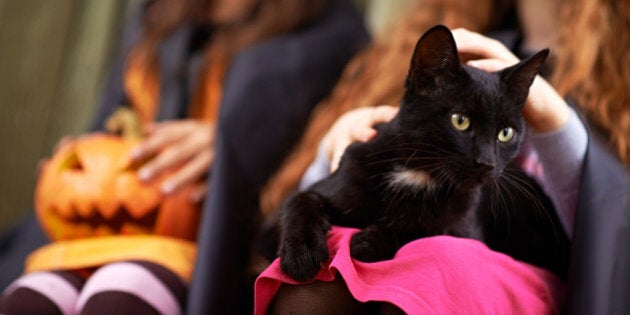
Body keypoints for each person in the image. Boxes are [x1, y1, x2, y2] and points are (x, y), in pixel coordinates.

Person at [255, 0, 630, 313]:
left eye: (503, 134)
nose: (487, 158)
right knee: (313, 286)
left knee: (431, 267)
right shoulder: (426, 42)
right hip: (378, 237)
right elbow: (298, 220)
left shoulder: (612, 78)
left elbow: (607, 240)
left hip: (508, 275)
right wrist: (330, 152)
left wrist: (555, 125)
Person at [0, 0, 368, 313]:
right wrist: (79, 160)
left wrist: (235, 145)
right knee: (33, 298)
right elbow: (115, 120)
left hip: (210, 239)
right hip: (105, 227)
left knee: (119, 297)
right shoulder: (159, 14)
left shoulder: (327, 31)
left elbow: (322, 154)